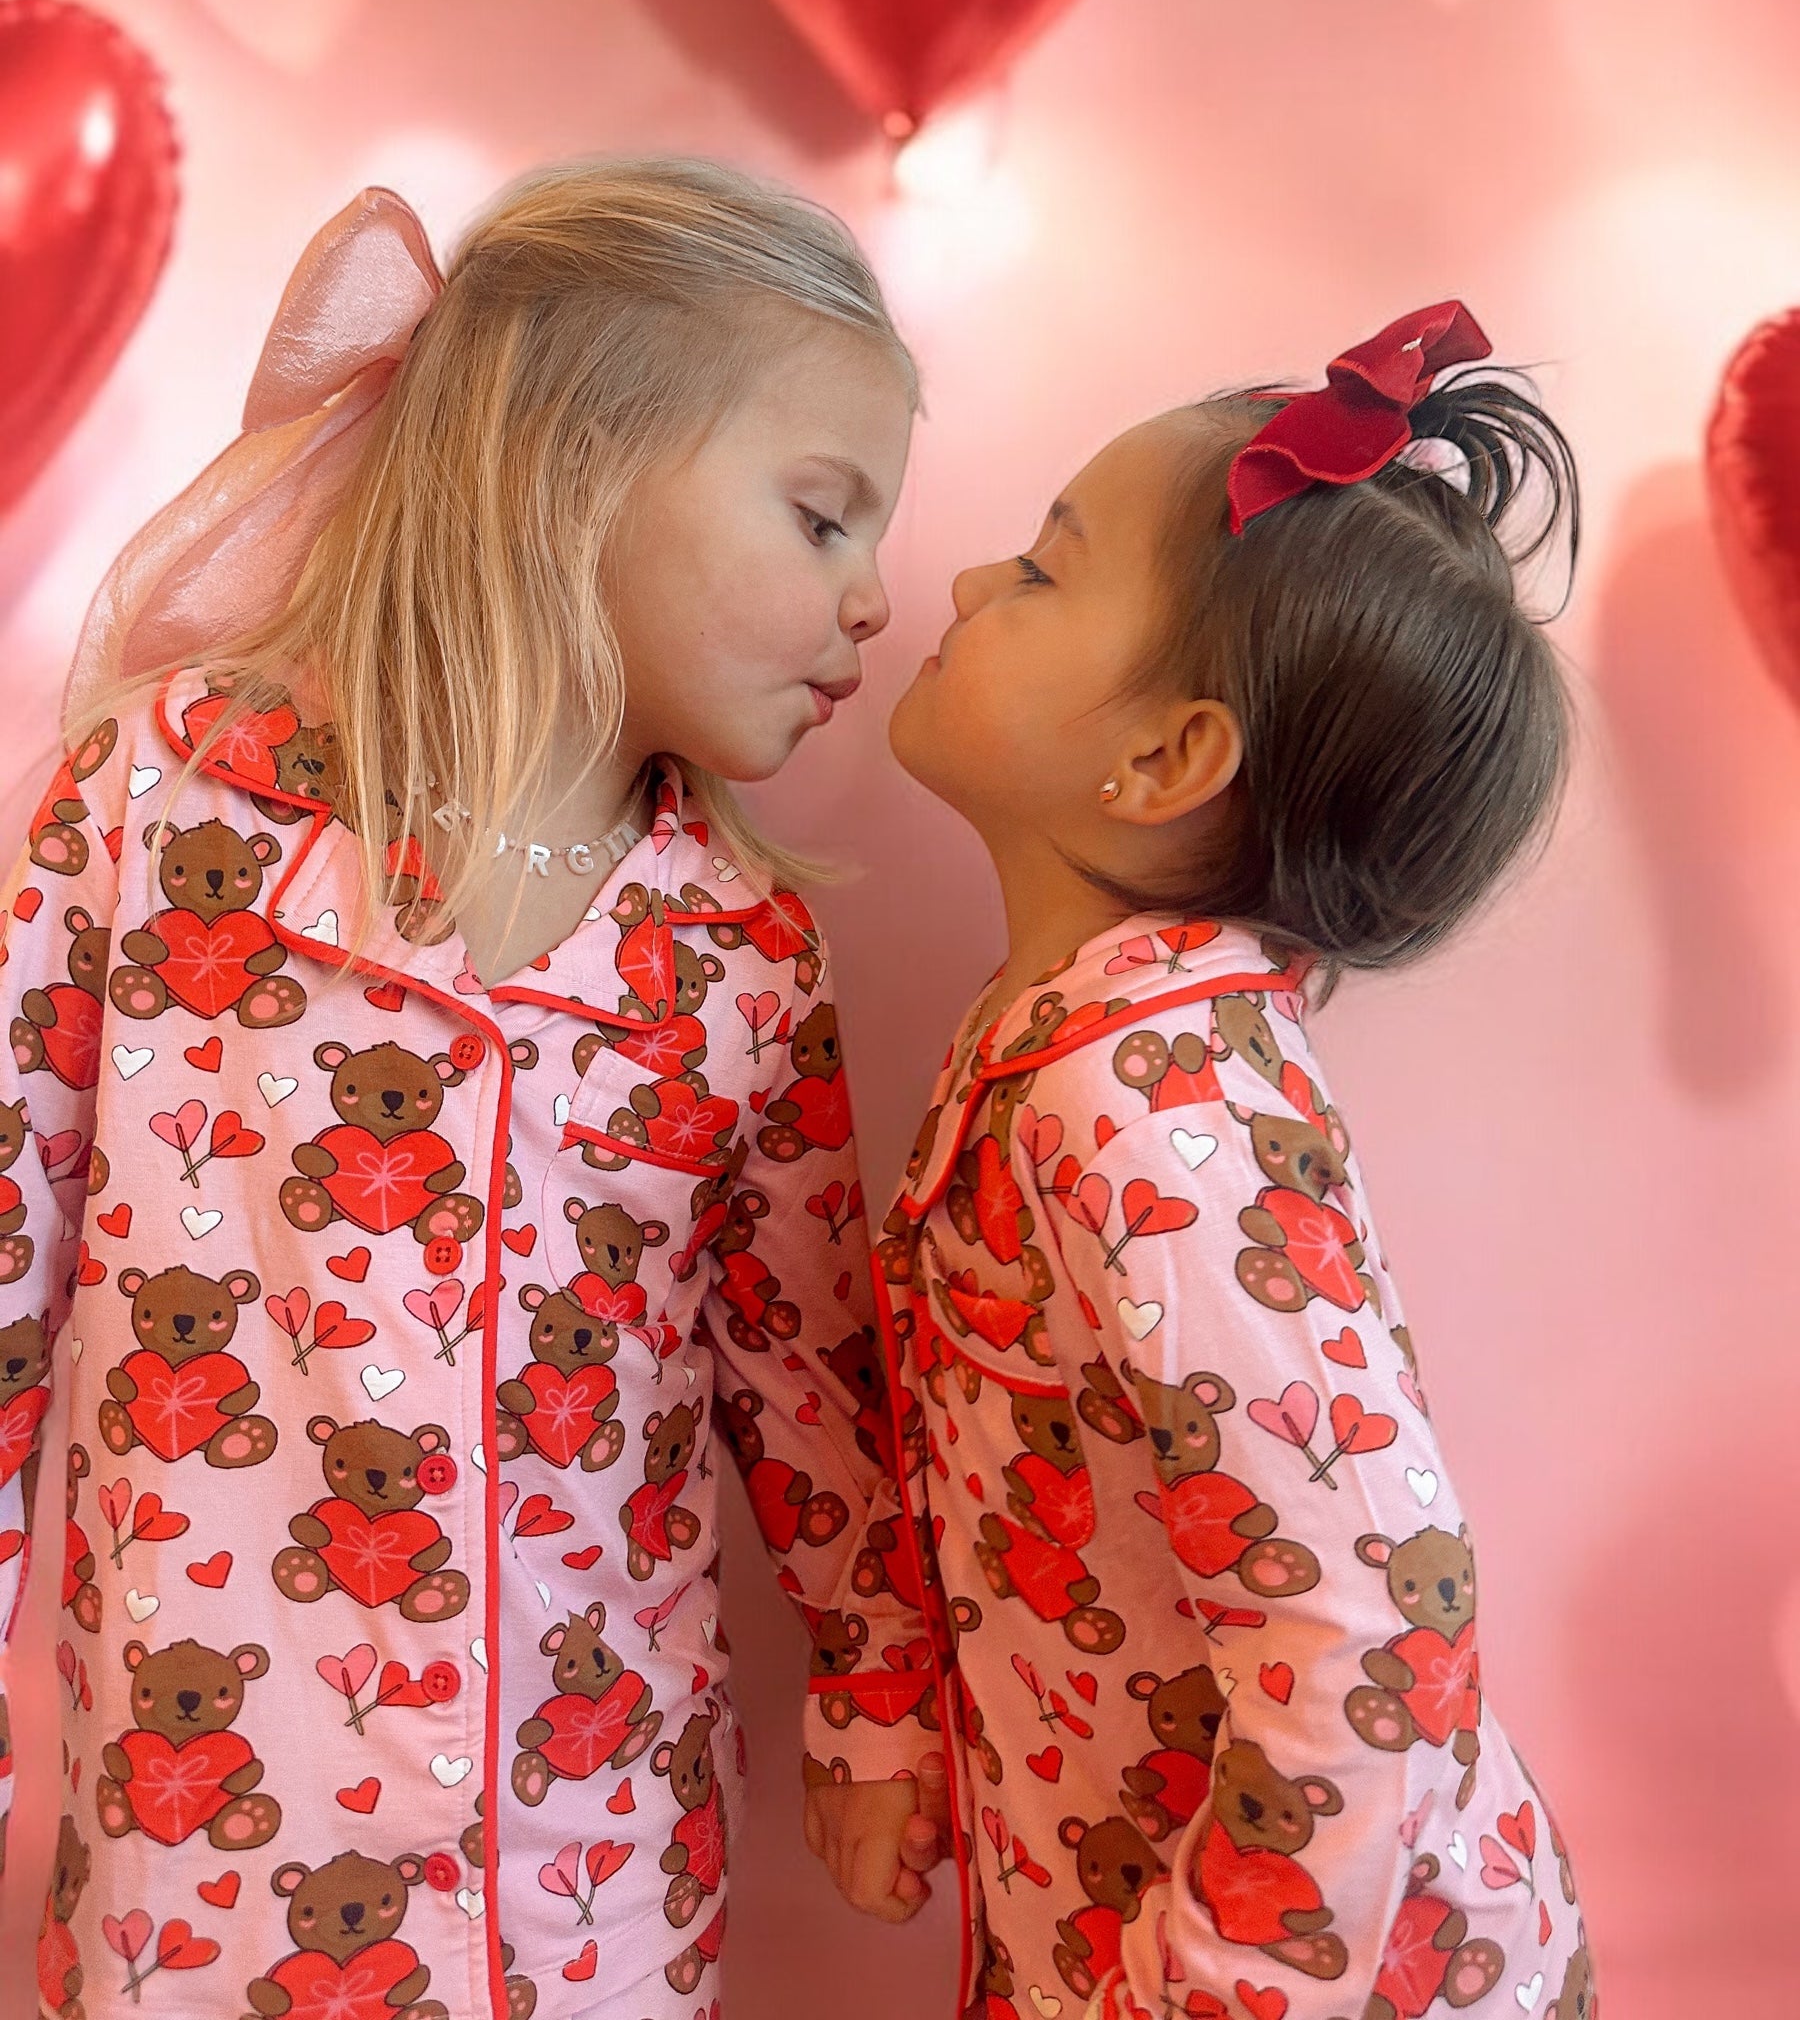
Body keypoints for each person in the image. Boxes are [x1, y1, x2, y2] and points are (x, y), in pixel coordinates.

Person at [0, 158, 945, 2020]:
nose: (875, 600)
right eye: (823, 517)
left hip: (589, 1894)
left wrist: (878, 1689)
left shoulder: (738, 955)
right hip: (206, 1880)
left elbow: (808, 1376)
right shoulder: (155, 811)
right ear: (574, 458)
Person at [843, 307, 1597, 2019]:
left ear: (1166, 760)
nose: (963, 582)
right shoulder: (1063, 1039)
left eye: (1043, 570)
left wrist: (1224, 1982)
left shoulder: (1145, 1109)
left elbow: (1379, 1621)